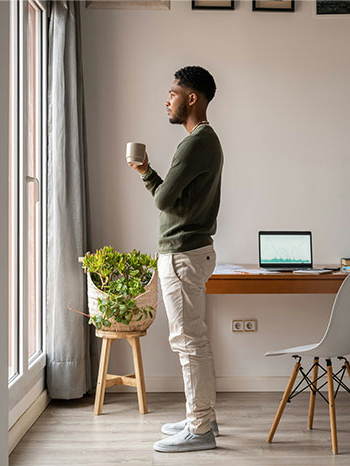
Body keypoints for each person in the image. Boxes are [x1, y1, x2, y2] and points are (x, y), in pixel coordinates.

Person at [129, 66, 223, 453]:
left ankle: (200, 428)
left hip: (183, 253)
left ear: (192, 99)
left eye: (172, 93)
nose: (166, 100)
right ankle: (202, 417)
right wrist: (149, 173)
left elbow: (164, 200)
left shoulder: (195, 142)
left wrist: (148, 173)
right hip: (190, 251)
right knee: (194, 341)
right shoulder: (204, 141)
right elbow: (173, 197)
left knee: (188, 343)